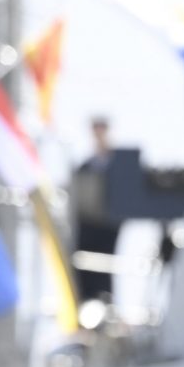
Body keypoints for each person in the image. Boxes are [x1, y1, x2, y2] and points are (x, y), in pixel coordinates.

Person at [72, 117, 123, 303]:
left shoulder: (117, 164)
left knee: (104, 266)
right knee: (83, 267)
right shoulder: (85, 166)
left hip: (108, 226)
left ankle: (104, 301)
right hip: (87, 224)